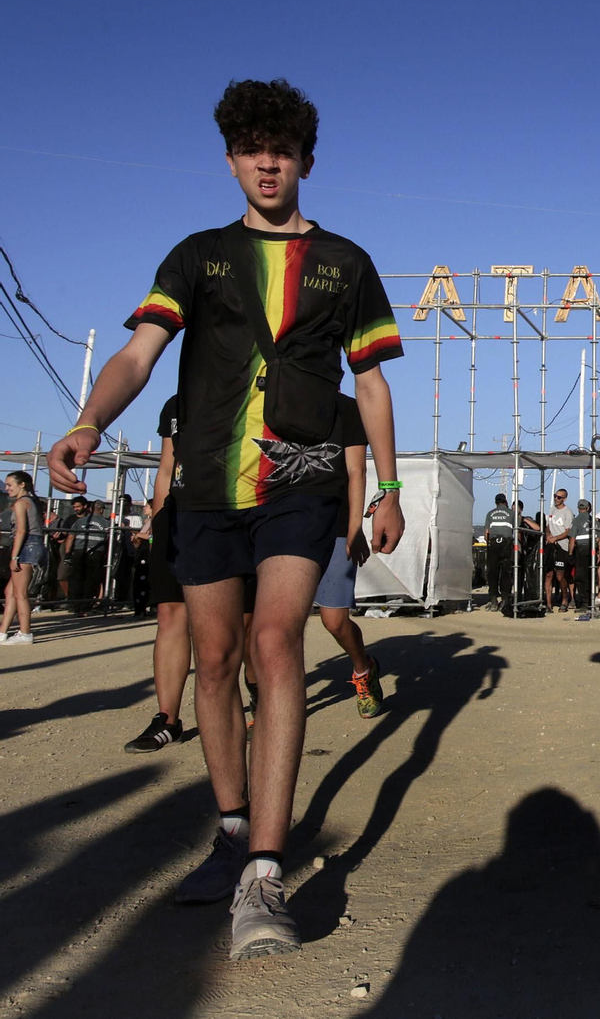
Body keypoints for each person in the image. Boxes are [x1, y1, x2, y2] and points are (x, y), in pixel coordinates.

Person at [49, 78, 405, 958]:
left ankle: (266, 873)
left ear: (307, 161)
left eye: (282, 148)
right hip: (206, 485)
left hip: (303, 477)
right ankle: (233, 828)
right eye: (252, 147)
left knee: (274, 643)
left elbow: (370, 380)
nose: (268, 161)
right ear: (231, 160)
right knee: (213, 659)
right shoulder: (196, 256)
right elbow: (139, 351)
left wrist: (388, 487)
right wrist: (90, 421)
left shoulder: (347, 262)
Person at [124, 395, 196, 752]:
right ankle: (168, 719)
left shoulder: (255, 388)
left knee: (239, 622)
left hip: (234, 515)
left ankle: (257, 695)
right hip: (177, 517)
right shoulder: (174, 405)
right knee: (170, 611)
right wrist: (157, 522)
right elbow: (166, 469)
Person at [313, 394, 383, 719]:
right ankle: (268, 705)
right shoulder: (269, 401)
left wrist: (356, 528)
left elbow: (357, 471)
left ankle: (363, 669)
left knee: (334, 621)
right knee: (275, 626)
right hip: (282, 528)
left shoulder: (347, 409)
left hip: (335, 527)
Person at [1, 471, 44, 645]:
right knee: (10, 591)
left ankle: (25, 633)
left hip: (27, 546)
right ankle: (3, 631)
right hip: (31, 545)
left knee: (20, 593)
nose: (7, 488)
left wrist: (15, 556)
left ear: (22, 485)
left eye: (10, 485)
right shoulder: (30, 501)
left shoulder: (21, 503)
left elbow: (21, 531)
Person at [483, 492, 516, 611]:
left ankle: (493, 600)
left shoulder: (490, 514)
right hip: (506, 544)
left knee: (493, 572)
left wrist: (489, 544)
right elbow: (516, 529)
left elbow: (486, 532)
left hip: (493, 544)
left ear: (496, 503)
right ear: (505, 502)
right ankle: (505, 598)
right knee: (506, 572)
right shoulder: (511, 513)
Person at [544, 488, 573, 611]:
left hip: (562, 546)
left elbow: (567, 531)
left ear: (564, 499)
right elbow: (548, 526)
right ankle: (548, 603)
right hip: (551, 545)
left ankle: (565, 599)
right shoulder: (552, 510)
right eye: (555, 496)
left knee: (560, 575)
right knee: (548, 574)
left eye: (559, 497)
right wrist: (548, 536)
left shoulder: (568, 512)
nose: (556, 499)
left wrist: (555, 537)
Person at [570, 498, 598, 609]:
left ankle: (585, 602)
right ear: (588, 508)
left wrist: (570, 553)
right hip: (592, 551)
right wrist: (599, 552)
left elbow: (572, 538)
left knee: (580, 577)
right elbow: (599, 539)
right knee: (591, 575)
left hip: (581, 550)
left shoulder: (576, 521)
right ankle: (591, 600)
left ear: (578, 508)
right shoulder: (594, 521)